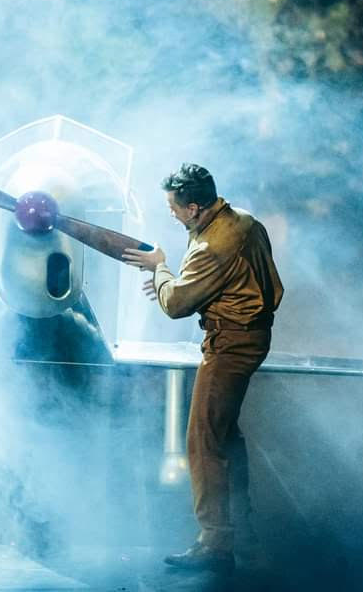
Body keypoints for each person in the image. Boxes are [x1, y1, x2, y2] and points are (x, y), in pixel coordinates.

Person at [123, 163, 283, 575]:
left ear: (194, 207)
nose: (172, 215)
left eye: (174, 208)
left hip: (231, 344)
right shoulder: (243, 221)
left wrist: (158, 268)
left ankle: (215, 542)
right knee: (225, 436)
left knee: (202, 442)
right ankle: (241, 531)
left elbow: (176, 305)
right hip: (246, 337)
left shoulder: (214, 244)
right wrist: (171, 282)